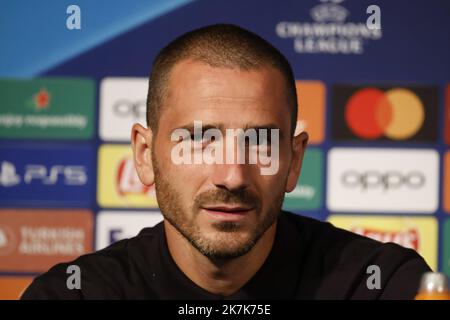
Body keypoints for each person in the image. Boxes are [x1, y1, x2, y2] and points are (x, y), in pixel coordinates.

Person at [22, 24, 430, 300]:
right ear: (145, 155)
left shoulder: (379, 285)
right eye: (200, 140)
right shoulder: (74, 294)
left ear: (294, 160)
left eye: (260, 141)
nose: (232, 175)